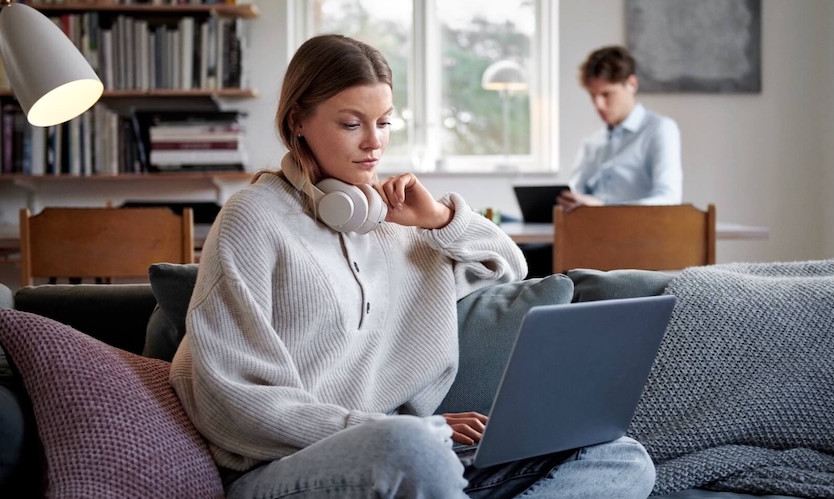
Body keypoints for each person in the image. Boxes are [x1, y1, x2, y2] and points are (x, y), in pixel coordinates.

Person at [169, 34, 656, 499]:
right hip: (288, 469)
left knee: (619, 455)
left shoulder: (399, 224)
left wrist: (440, 219)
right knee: (413, 449)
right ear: (298, 120)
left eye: (383, 122)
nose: (373, 144)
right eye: (351, 123)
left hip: (420, 458)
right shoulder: (252, 218)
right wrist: (400, 430)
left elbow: (510, 268)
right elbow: (231, 401)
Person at [557, 45, 683, 213]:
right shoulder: (592, 141)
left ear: (631, 84)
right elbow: (575, 193)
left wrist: (604, 210)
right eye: (593, 96)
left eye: (606, 94)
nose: (598, 105)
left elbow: (669, 199)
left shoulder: (660, 130)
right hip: (588, 232)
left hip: (637, 234)